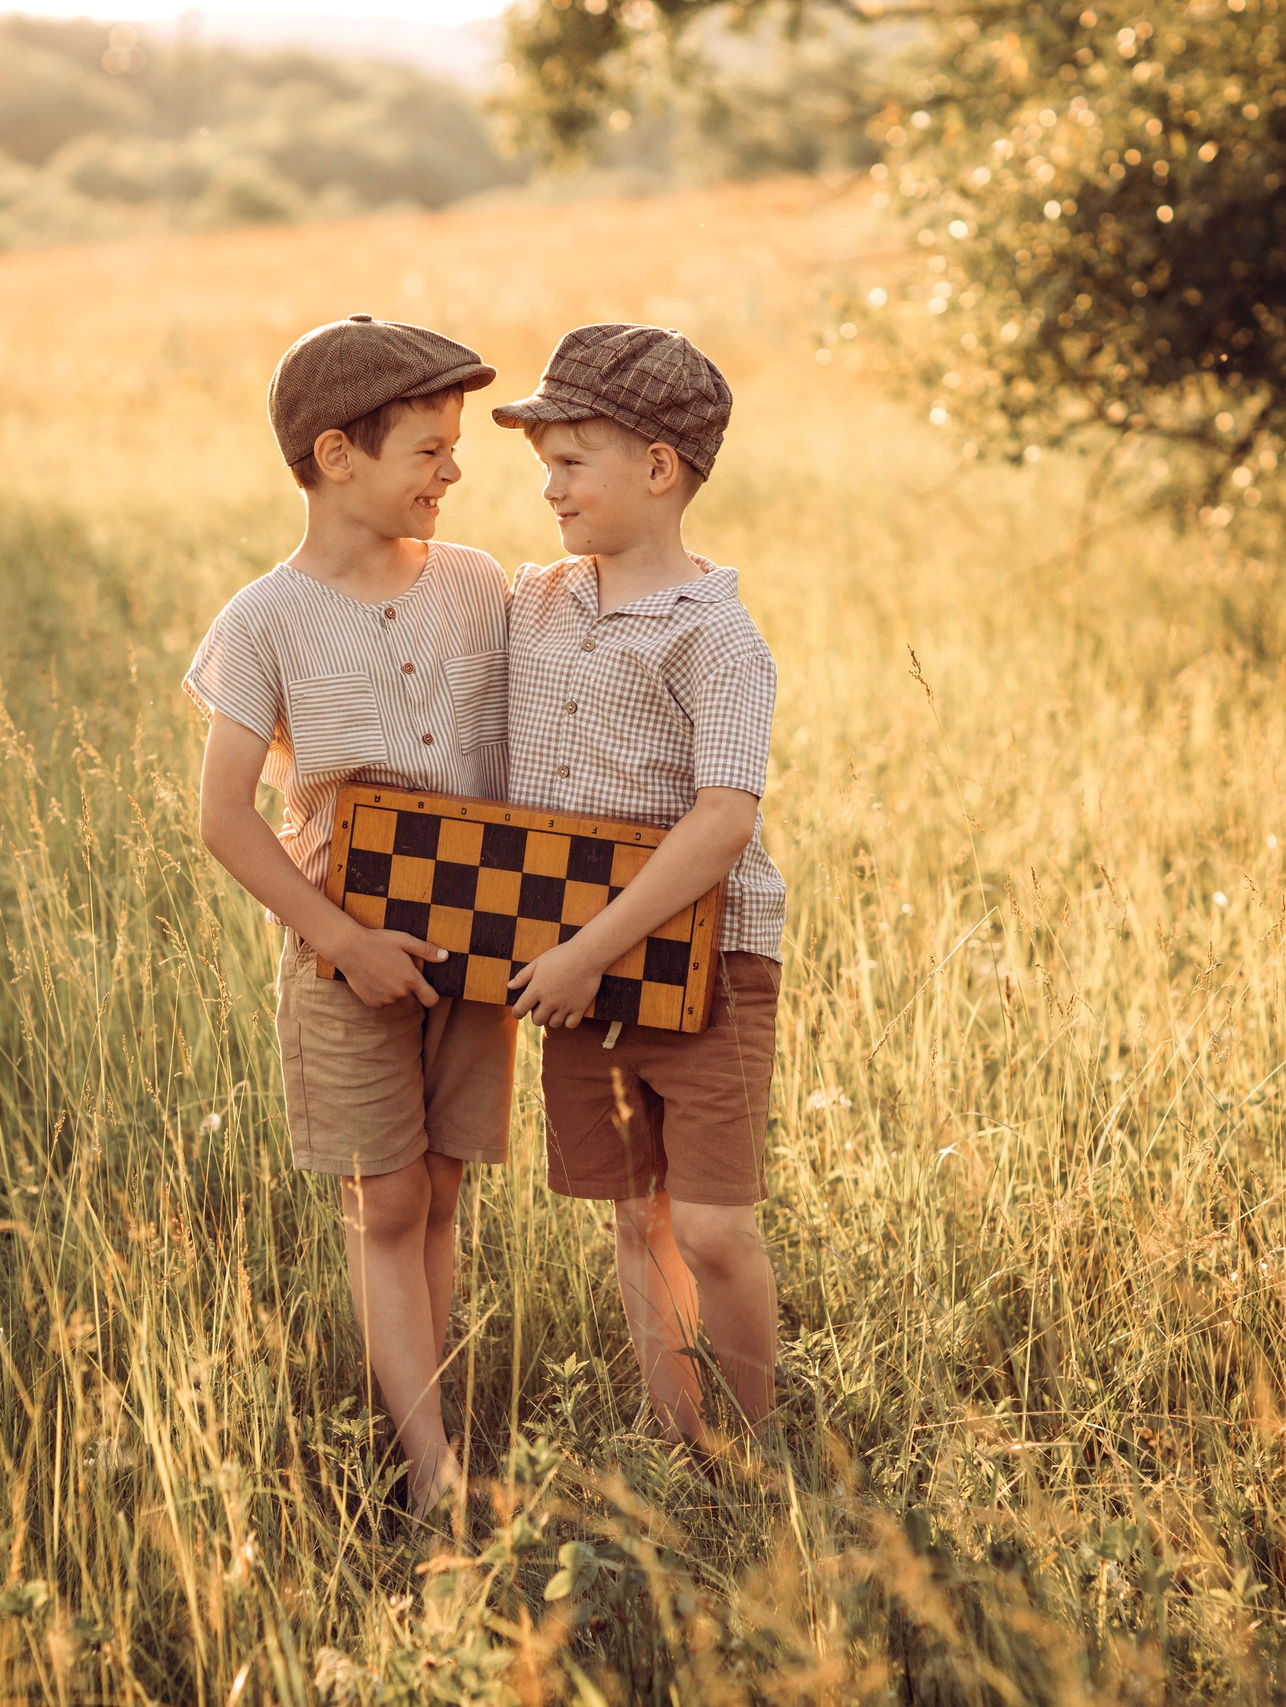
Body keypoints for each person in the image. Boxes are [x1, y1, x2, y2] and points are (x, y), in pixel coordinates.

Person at [184, 314, 515, 1510]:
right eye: (428, 449)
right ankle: (430, 1470)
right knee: (386, 1197)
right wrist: (341, 940)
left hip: (480, 941)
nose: (453, 470)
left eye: (452, 447)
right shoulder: (265, 619)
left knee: (442, 1185)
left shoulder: (477, 585)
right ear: (336, 457)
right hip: (346, 953)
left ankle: (436, 1420)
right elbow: (225, 817)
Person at [493, 324, 786, 1447]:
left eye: (572, 464)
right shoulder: (536, 602)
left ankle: (756, 1455)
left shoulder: (717, 637)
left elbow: (721, 819)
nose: (550, 491)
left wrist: (584, 953)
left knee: (711, 1223)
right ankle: (681, 1438)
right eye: (544, 469)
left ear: (658, 469)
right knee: (636, 1215)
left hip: (701, 960)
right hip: (576, 965)